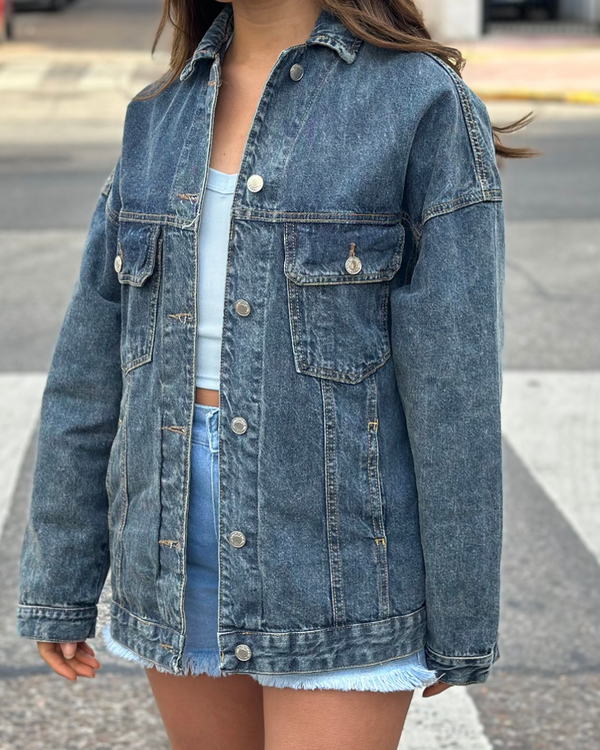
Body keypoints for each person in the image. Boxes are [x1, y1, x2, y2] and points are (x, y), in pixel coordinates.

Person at [16, 1, 538, 748]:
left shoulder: (420, 102)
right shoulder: (159, 115)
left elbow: (454, 392)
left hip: (337, 559)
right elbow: (89, 372)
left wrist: (462, 616)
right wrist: (60, 582)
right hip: (169, 544)